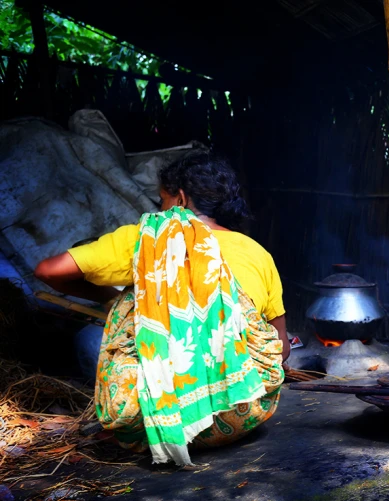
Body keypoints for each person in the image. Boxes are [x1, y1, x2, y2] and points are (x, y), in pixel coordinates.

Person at [34, 154, 290, 466]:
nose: (159, 210)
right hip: (245, 410)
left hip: (152, 428)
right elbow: (282, 347)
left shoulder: (146, 238)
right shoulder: (257, 252)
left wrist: (110, 299)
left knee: (141, 293)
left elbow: (47, 270)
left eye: (162, 200)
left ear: (180, 198)